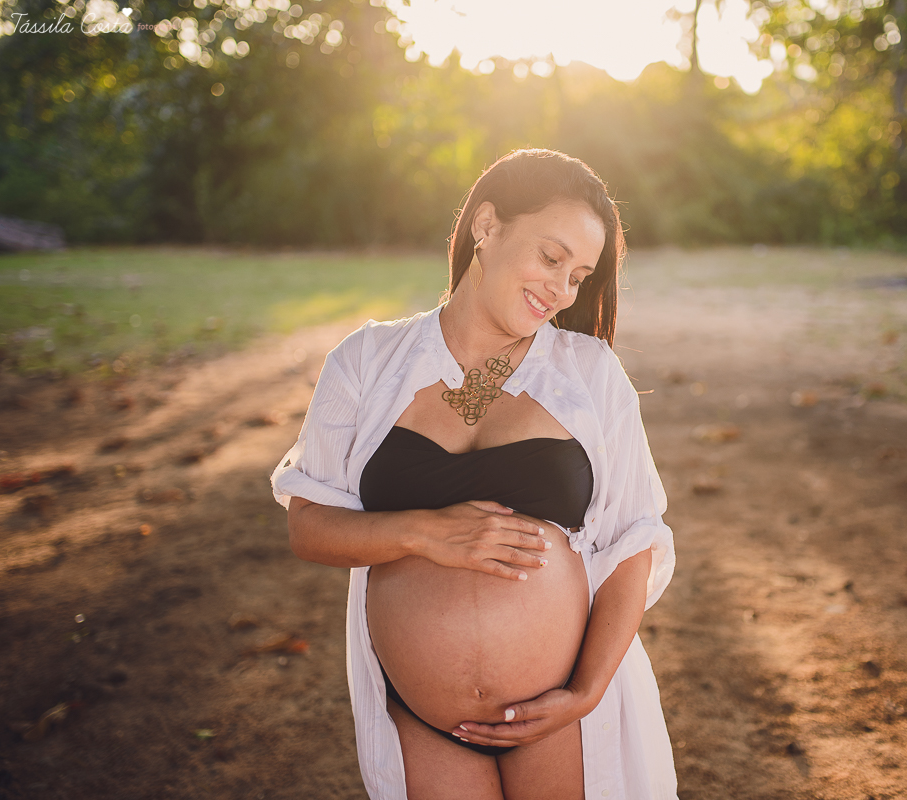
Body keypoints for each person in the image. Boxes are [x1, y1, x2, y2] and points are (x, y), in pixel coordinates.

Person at [270, 149, 678, 800]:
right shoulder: (366, 362)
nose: (563, 290)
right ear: (486, 226)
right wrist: (425, 534)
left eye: (579, 275)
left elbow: (634, 541)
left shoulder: (590, 373)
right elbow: (310, 528)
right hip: (424, 719)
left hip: (556, 716)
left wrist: (584, 693)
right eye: (551, 258)